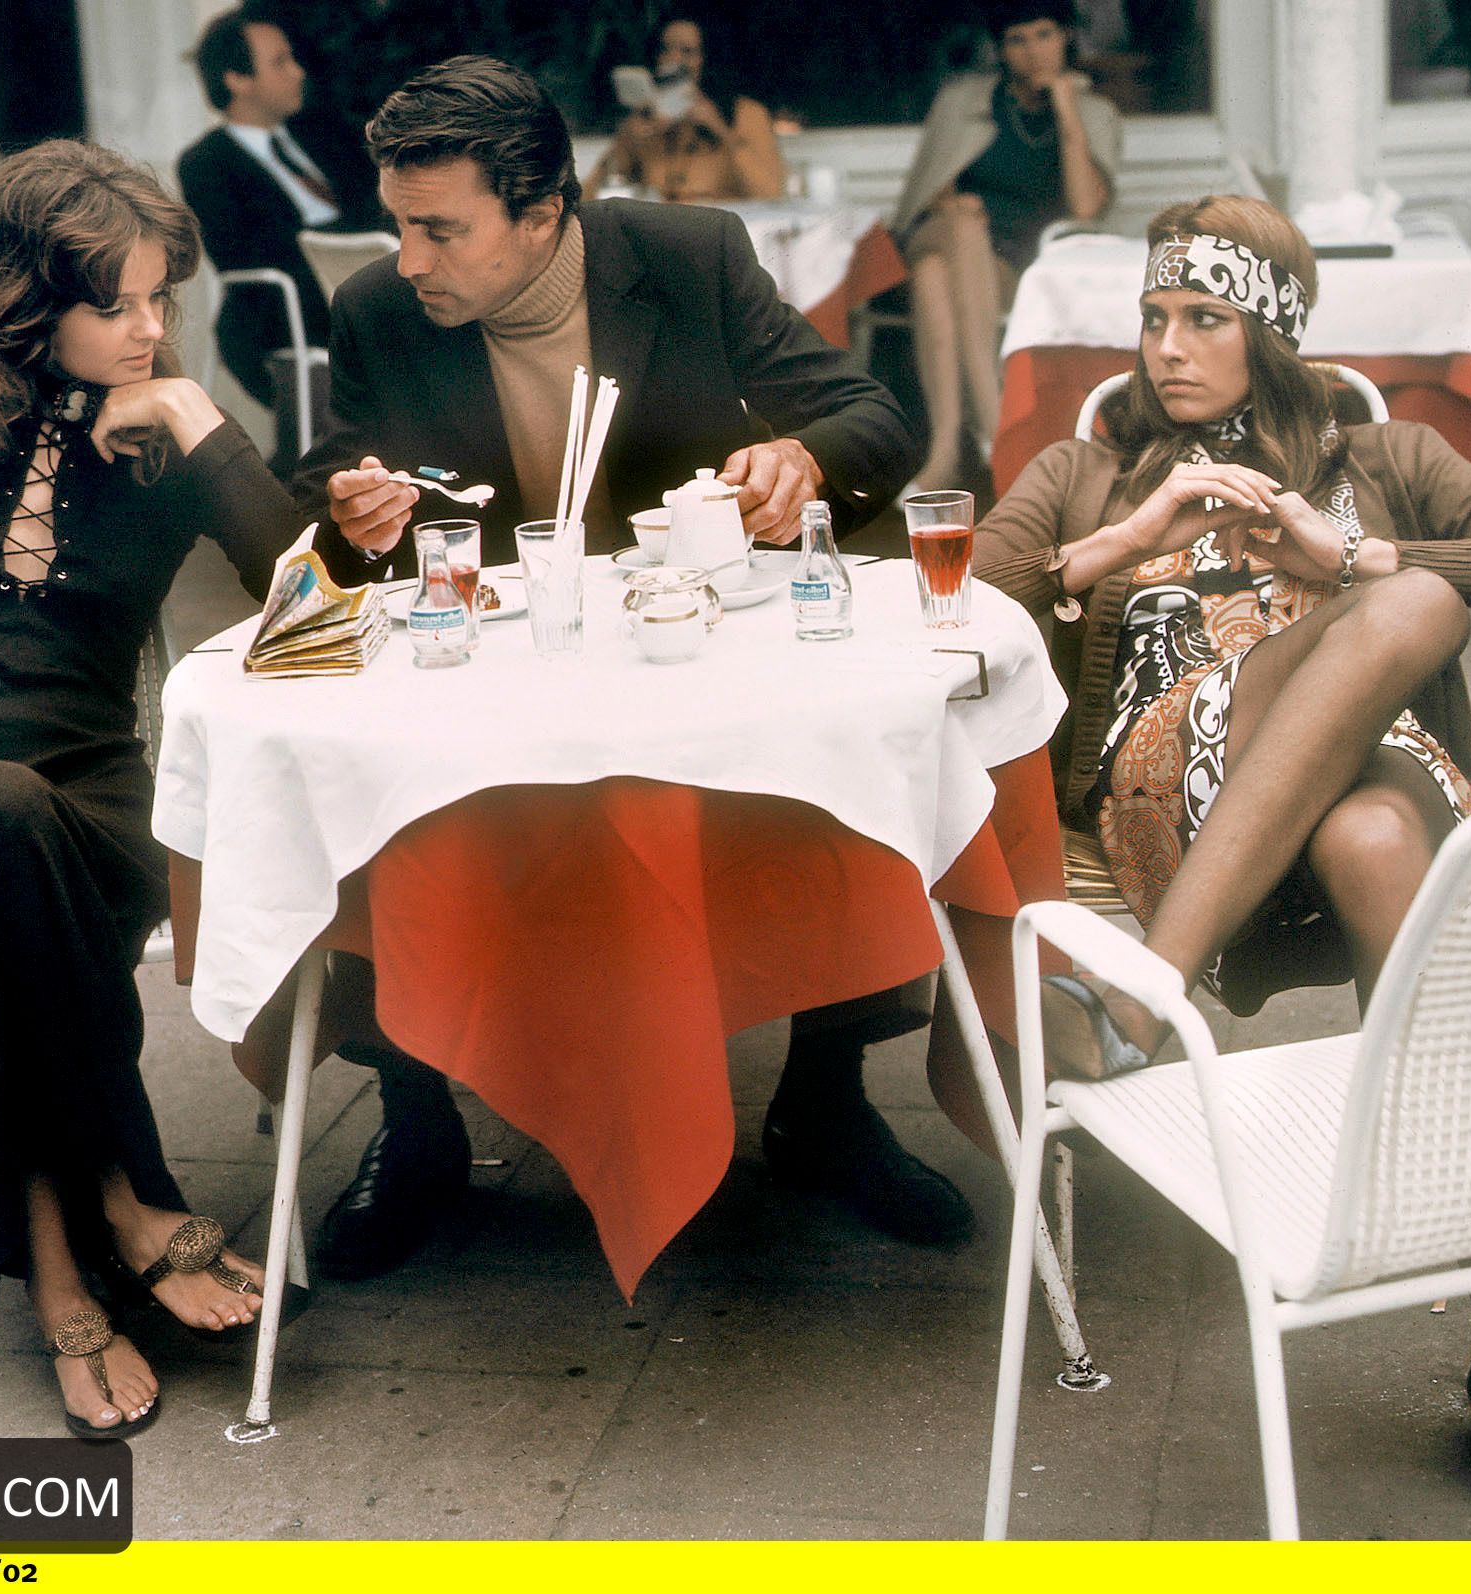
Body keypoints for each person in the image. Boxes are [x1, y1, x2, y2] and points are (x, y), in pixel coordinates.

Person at [970, 194, 1471, 1539]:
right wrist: (1121, 541)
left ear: (1271, 337)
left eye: (1204, 320)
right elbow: (954, 603)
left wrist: (1357, 552)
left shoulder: (1384, 455)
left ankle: (1146, 997)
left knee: (1383, 780)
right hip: (1167, 803)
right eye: (1153, 318)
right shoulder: (1090, 466)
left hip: (1369, 792)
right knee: (1411, 634)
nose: (1166, 347)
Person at [289, 55, 962, 1279]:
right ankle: (415, 1119)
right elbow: (330, 490)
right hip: (494, 669)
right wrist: (353, 514)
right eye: (399, 224)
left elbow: (876, 416)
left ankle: (824, 1101)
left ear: (543, 212)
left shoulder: (689, 258)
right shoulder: (381, 309)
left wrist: (804, 460)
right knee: (356, 776)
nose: (409, 258)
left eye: (440, 229)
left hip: (686, 647)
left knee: (840, 747)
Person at [0, 140, 305, 1439]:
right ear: (29, 300)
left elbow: (308, 602)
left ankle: (58, 1255)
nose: (149, 328)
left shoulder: (170, 433)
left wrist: (193, 415)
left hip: (86, 805)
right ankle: (122, 1199)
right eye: (115, 303)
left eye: (160, 298)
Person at [889, 2, 1120, 491]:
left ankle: (946, 451)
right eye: (1018, 40)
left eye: (1044, 35)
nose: (1033, 51)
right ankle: (996, 427)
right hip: (945, 231)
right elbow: (925, 194)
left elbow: (1085, 208)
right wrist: (953, 201)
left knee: (933, 277)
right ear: (1001, 49)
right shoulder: (964, 101)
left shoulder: (1096, 112)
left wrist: (1067, 109)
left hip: (1018, 266)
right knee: (962, 229)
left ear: (1065, 37)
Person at [177, 6, 373, 410]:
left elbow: (372, 208)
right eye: (280, 62)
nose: (298, 72)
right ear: (238, 79)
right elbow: (241, 258)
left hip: (368, 285)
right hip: (289, 313)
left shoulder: (323, 137)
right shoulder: (207, 164)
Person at [587, 13, 785, 202]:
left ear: (708, 60)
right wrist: (625, 143)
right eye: (664, 50)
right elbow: (589, 195)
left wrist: (719, 128)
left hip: (723, 220)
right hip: (663, 221)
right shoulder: (646, 117)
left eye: (687, 52)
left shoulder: (747, 114)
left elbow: (770, 193)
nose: (673, 60)